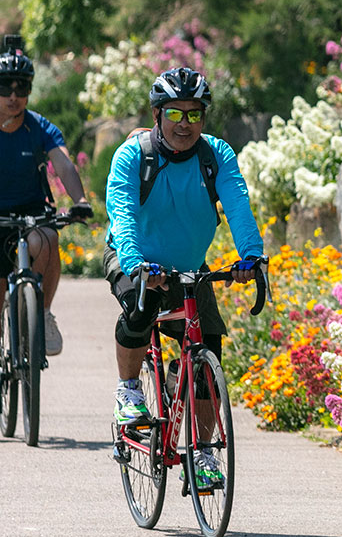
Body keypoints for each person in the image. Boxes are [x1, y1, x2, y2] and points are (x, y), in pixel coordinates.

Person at [104, 66, 265, 487]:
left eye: (195, 115)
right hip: (133, 255)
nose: (185, 124)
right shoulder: (134, 156)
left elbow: (238, 207)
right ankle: (128, 390)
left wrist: (252, 257)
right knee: (140, 310)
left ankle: (204, 454)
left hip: (190, 269)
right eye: (175, 114)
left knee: (208, 357)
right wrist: (137, 263)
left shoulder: (216, 156)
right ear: (157, 114)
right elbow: (122, 216)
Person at [0, 44, 91, 412]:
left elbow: (63, 165)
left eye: (22, 89)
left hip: (31, 214)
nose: (15, 96)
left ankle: (41, 313)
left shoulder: (39, 128)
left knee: (47, 238)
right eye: (6, 88)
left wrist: (79, 201)